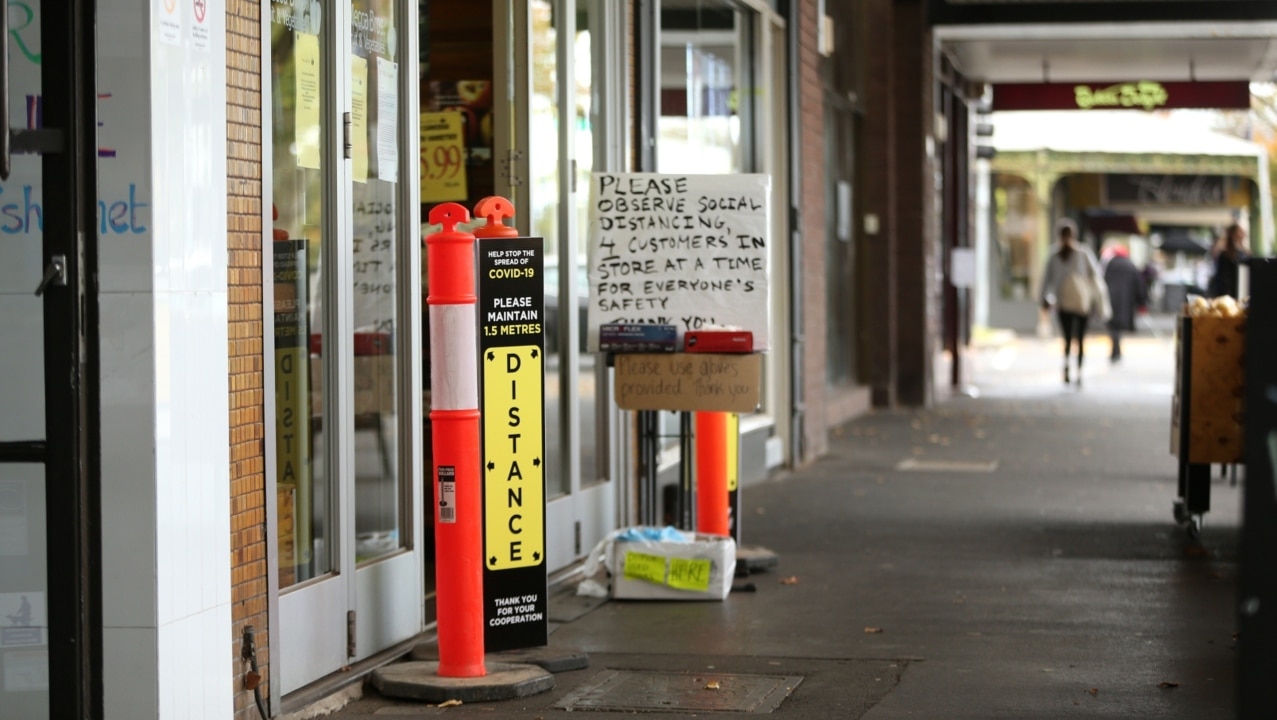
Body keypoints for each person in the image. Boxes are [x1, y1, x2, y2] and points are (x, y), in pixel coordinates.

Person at [1040, 218, 1105, 386]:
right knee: (1080, 339)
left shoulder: (1056, 255)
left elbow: (1046, 281)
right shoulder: (1081, 253)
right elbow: (1096, 277)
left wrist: (1044, 299)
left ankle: (1069, 366)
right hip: (1081, 302)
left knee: (1068, 338)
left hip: (1064, 303)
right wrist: (1097, 301)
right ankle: (1078, 372)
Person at [1101, 243, 1147, 362]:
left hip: (1111, 299)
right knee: (1118, 326)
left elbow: (1103, 282)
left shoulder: (1110, 264)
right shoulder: (1130, 265)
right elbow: (1139, 284)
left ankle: (1115, 350)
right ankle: (1116, 350)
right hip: (1125, 301)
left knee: (1113, 326)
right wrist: (1141, 302)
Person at [1208, 222, 1248, 299]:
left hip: (1240, 290)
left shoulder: (1244, 253)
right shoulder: (1226, 254)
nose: (1243, 234)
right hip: (1228, 293)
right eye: (1240, 231)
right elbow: (1222, 277)